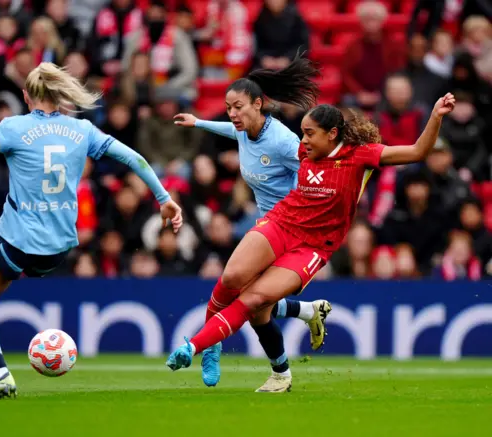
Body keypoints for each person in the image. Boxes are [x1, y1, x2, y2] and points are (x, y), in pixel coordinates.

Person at [0, 62, 183, 400]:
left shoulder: (12, 127)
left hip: (18, 239)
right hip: (58, 249)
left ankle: (0, 375)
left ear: (26, 95)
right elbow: (134, 159)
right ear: (59, 96)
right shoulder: (83, 130)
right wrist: (164, 198)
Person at [167, 93, 456, 392]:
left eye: (309, 134)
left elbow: (419, 151)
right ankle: (212, 346)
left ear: (332, 134)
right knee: (232, 277)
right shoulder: (304, 152)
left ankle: (205, 350)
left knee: (255, 304)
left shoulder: (361, 156)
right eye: (302, 133)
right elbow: (242, 131)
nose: (302, 141)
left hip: (313, 247)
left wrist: (436, 115)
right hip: (281, 223)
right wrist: (202, 123)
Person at [172, 53, 331, 390]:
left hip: (291, 230)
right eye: (229, 107)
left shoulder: (285, 142)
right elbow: (231, 131)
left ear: (258, 104)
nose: (233, 114)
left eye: (239, 106)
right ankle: (292, 344)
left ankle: (211, 346)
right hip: (267, 226)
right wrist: (198, 122)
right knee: (257, 306)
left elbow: (314, 167)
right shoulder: (244, 130)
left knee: (239, 287)